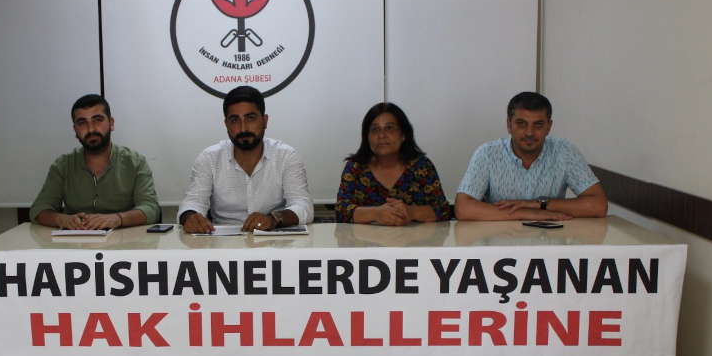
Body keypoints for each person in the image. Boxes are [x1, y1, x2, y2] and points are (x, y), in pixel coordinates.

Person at [178, 86, 313, 233]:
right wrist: (190, 217)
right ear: (226, 124)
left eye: (250, 118)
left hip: (273, 239)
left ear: (265, 121)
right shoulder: (209, 158)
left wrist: (274, 219)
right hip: (222, 241)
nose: (243, 128)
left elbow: (303, 205)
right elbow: (193, 202)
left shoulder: (286, 156)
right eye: (235, 120)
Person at [455, 91, 607, 221]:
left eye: (538, 124)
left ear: (549, 127)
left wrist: (540, 204)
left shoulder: (564, 151)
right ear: (509, 125)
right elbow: (462, 208)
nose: (529, 132)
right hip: (501, 243)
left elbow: (598, 206)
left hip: (550, 242)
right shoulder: (487, 153)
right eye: (521, 123)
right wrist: (526, 213)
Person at [30, 94, 160, 229]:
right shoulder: (63, 165)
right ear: (75, 130)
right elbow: (39, 208)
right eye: (82, 123)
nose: (91, 129)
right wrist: (62, 219)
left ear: (111, 123)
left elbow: (151, 208)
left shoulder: (135, 163)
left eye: (97, 120)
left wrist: (118, 218)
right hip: (75, 239)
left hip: (123, 239)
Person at [335, 102, 450, 225]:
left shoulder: (421, 166)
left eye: (389, 128)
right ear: (367, 137)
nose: (381, 135)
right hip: (365, 237)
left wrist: (412, 212)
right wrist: (375, 214)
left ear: (403, 135)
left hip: (413, 236)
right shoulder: (355, 168)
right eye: (375, 129)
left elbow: (443, 210)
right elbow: (341, 211)